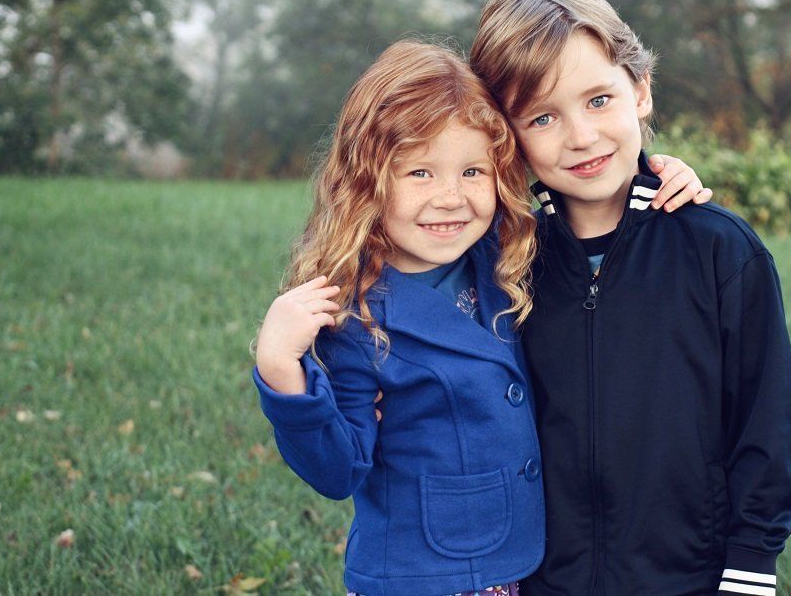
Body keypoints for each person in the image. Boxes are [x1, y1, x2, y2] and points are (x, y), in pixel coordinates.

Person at [251, 39, 710, 596]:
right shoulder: (353, 314)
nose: (451, 197)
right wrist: (280, 368)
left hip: (521, 563)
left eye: (472, 171)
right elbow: (336, 469)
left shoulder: (504, 253)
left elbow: (589, 205)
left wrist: (654, 176)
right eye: (420, 173)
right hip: (423, 577)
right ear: (368, 183)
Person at [469, 0, 791, 596]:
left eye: (599, 100)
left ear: (641, 89)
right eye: (543, 117)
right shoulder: (500, 260)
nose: (580, 136)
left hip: (688, 577)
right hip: (544, 579)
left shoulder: (719, 249)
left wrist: (751, 566)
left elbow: (768, 422)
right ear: (508, 134)